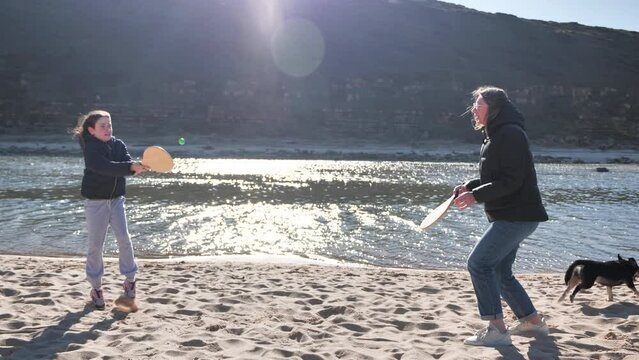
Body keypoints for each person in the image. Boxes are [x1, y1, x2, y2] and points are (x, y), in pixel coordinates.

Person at [453, 86, 549, 346]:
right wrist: (471, 187)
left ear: (495, 108)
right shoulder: (495, 134)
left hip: (517, 215)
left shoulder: (509, 134)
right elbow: (493, 178)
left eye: (479, 104)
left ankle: (497, 330)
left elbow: (513, 181)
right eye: (474, 104)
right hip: (514, 214)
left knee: (479, 263)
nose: (473, 109)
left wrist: (476, 196)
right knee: (499, 270)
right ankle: (532, 322)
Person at [72, 110, 148, 310]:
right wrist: (130, 167)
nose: (107, 129)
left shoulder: (118, 144)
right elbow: (105, 167)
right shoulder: (91, 148)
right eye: (102, 126)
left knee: (124, 238)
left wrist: (135, 168)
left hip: (116, 201)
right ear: (92, 130)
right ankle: (96, 288)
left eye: (109, 125)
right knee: (96, 246)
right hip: (95, 203)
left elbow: (125, 167)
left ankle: (130, 280)